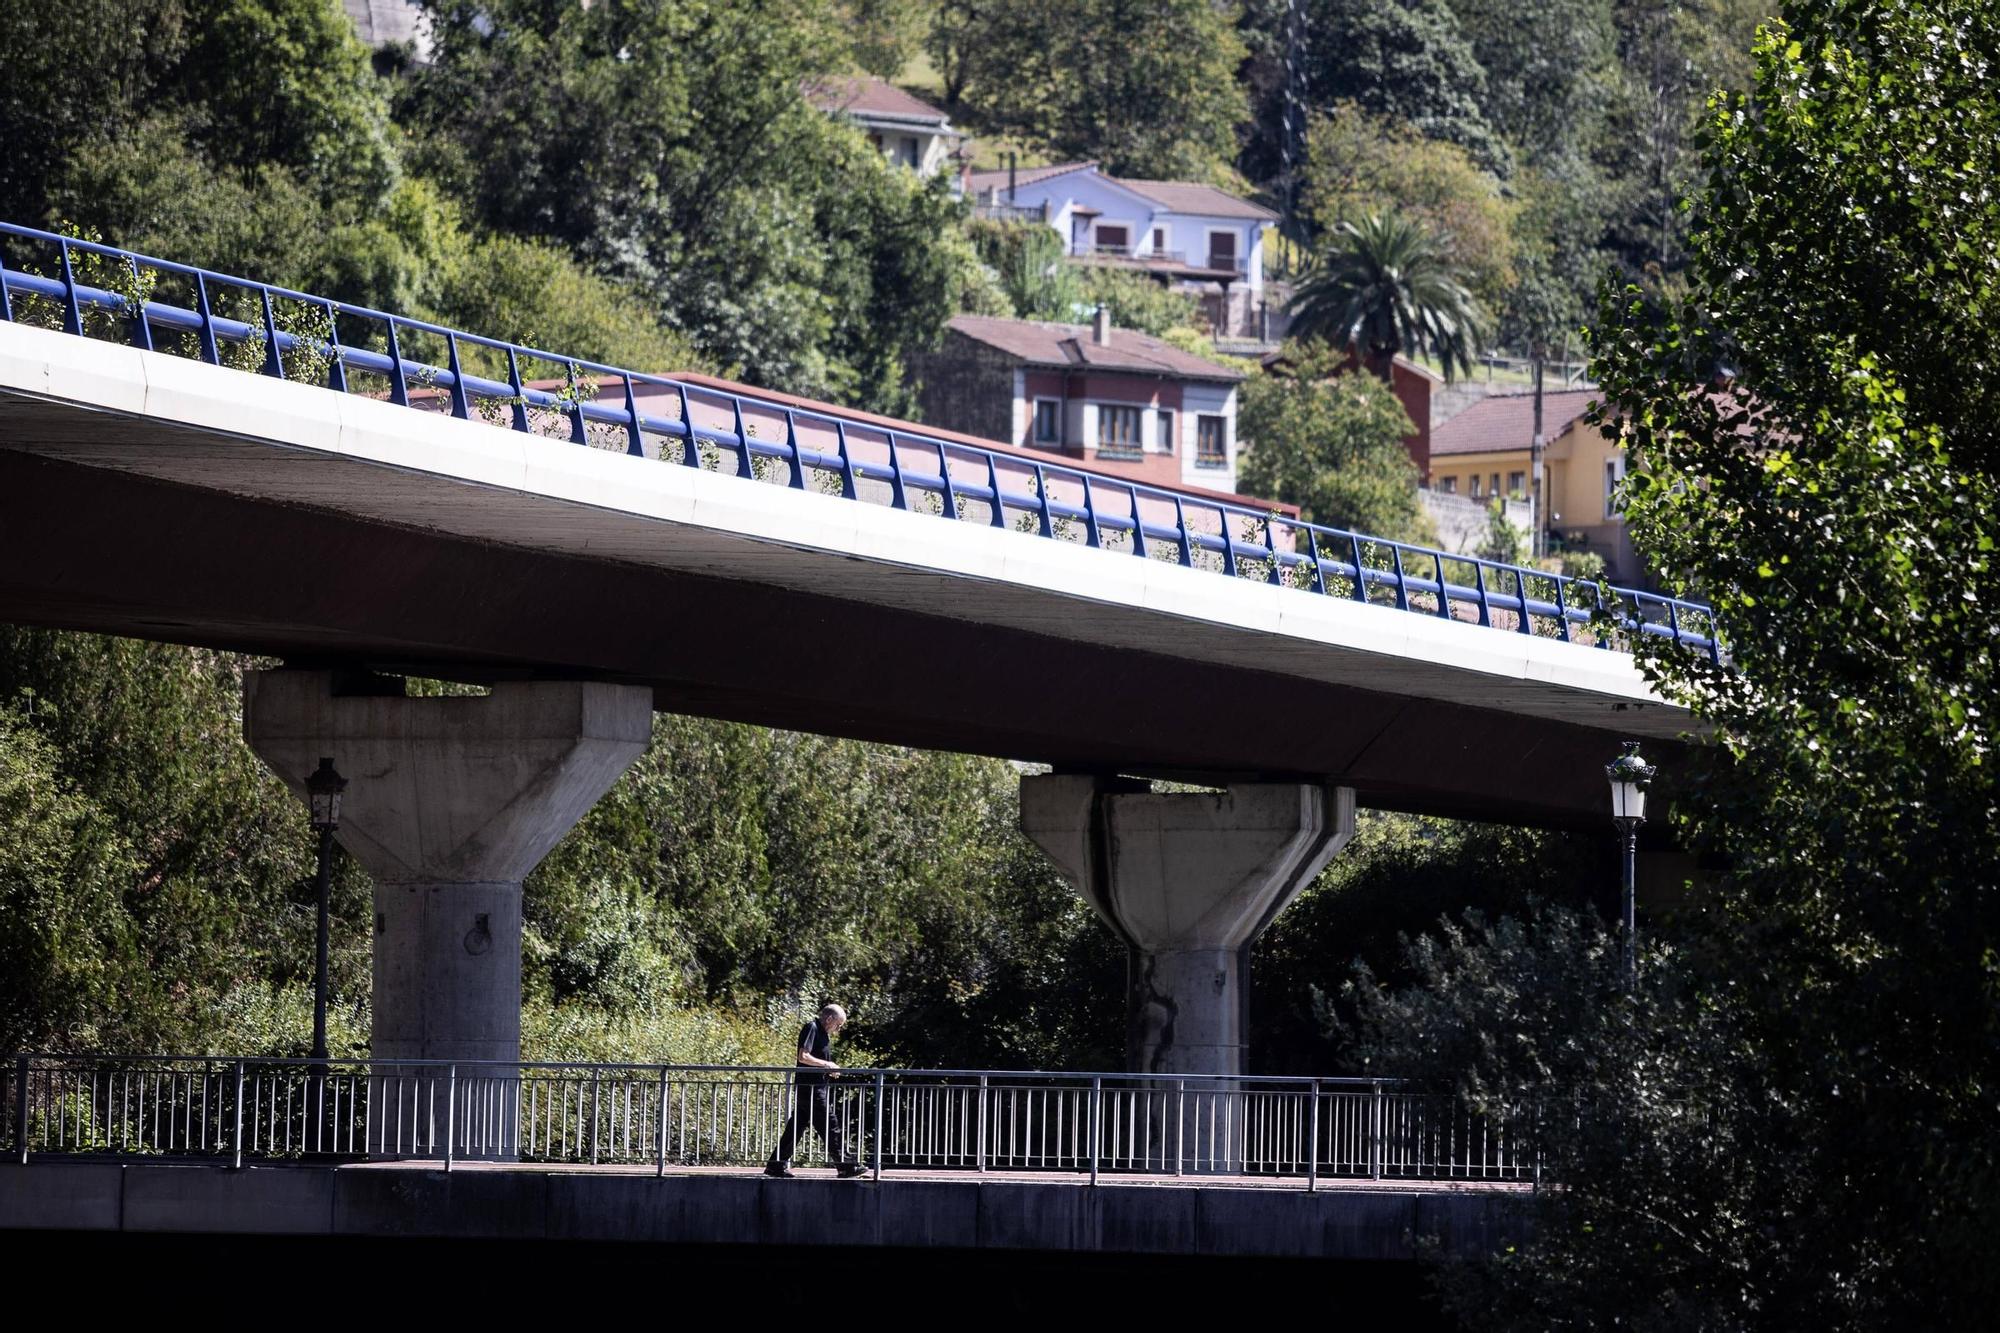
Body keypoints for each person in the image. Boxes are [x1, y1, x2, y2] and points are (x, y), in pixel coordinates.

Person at [765, 1003, 866, 1179]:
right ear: (829, 1019)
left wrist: (828, 1069)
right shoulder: (811, 1027)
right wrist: (827, 1065)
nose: (838, 1029)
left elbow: (815, 1060)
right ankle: (846, 1166)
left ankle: (775, 1165)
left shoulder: (823, 1034)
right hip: (811, 1089)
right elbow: (803, 1056)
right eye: (838, 1025)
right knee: (830, 1125)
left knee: (796, 1127)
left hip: (812, 1087)